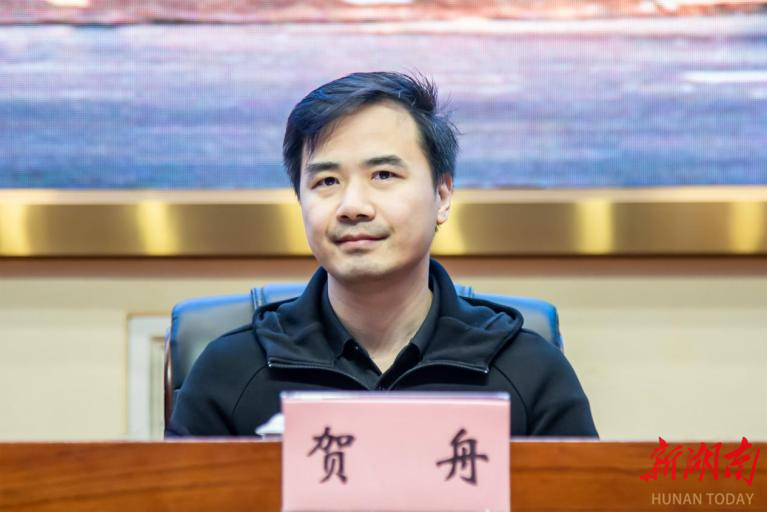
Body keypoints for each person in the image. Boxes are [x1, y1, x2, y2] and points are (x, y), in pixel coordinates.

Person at [166, 71, 597, 437]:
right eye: (326, 182)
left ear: (442, 195)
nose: (353, 206)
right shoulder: (229, 372)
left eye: (384, 175)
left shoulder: (529, 371)